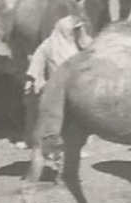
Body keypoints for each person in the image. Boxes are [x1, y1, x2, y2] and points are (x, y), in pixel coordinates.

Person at [22, 12, 93, 149]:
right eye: (75, 30)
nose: (77, 32)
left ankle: (77, 146)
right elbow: (36, 64)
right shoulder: (48, 45)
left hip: (77, 89)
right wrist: (34, 81)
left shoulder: (80, 45)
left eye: (78, 30)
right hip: (55, 90)